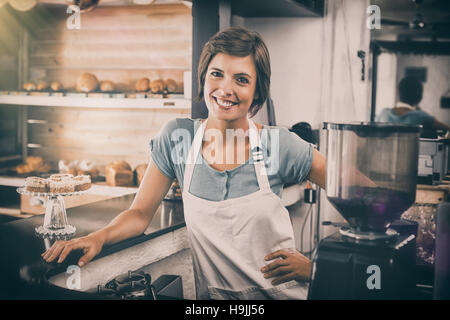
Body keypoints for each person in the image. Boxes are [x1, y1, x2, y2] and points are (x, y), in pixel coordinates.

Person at [42, 26, 326, 300]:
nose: (226, 89)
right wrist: (99, 237)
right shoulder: (178, 138)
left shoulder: (280, 145)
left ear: (258, 90)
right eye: (217, 74)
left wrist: (315, 269)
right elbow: (140, 214)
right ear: (204, 77)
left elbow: (361, 200)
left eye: (241, 79)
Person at [376, 76, 449, 137]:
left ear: (399, 93)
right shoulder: (421, 116)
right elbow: (447, 128)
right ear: (419, 97)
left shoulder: (383, 113)